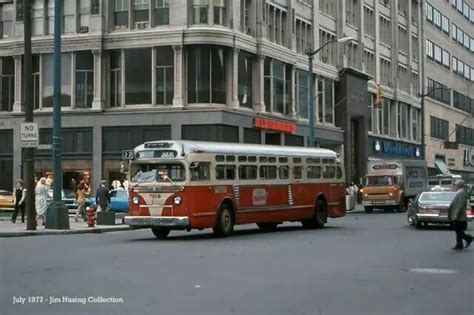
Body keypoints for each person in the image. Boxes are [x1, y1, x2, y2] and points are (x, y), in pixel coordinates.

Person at [448, 179, 473, 250]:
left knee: (458, 230)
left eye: (455, 184)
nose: (454, 186)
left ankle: (469, 238)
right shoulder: (459, 192)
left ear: (459, 185)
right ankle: (459, 245)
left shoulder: (461, 193)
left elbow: (460, 205)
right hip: (458, 215)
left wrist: (455, 214)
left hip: (459, 215)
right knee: (458, 230)